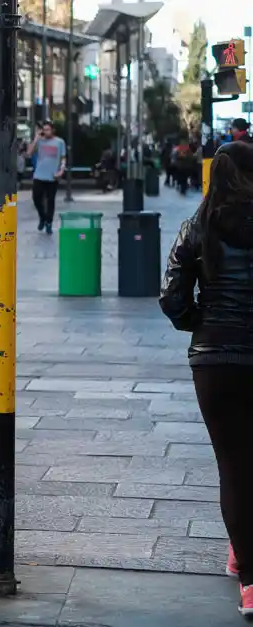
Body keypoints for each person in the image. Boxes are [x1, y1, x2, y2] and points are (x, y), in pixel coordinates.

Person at [159, 141, 253, 617]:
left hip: (215, 360)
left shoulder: (197, 226)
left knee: (234, 467)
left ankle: (249, 577)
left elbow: (171, 296)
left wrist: (202, 321)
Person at [27, 121, 66, 235]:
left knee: (50, 200)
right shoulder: (39, 141)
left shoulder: (59, 142)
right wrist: (36, 138)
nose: (46, 132)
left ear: (53, 130)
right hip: (39, 175)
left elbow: (63, 158)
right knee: (36, 198)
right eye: (44, 129)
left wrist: (61, 170)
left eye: (48, 129)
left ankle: (49, 222)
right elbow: (29, 153)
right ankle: (42, 217)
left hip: (52, 176)